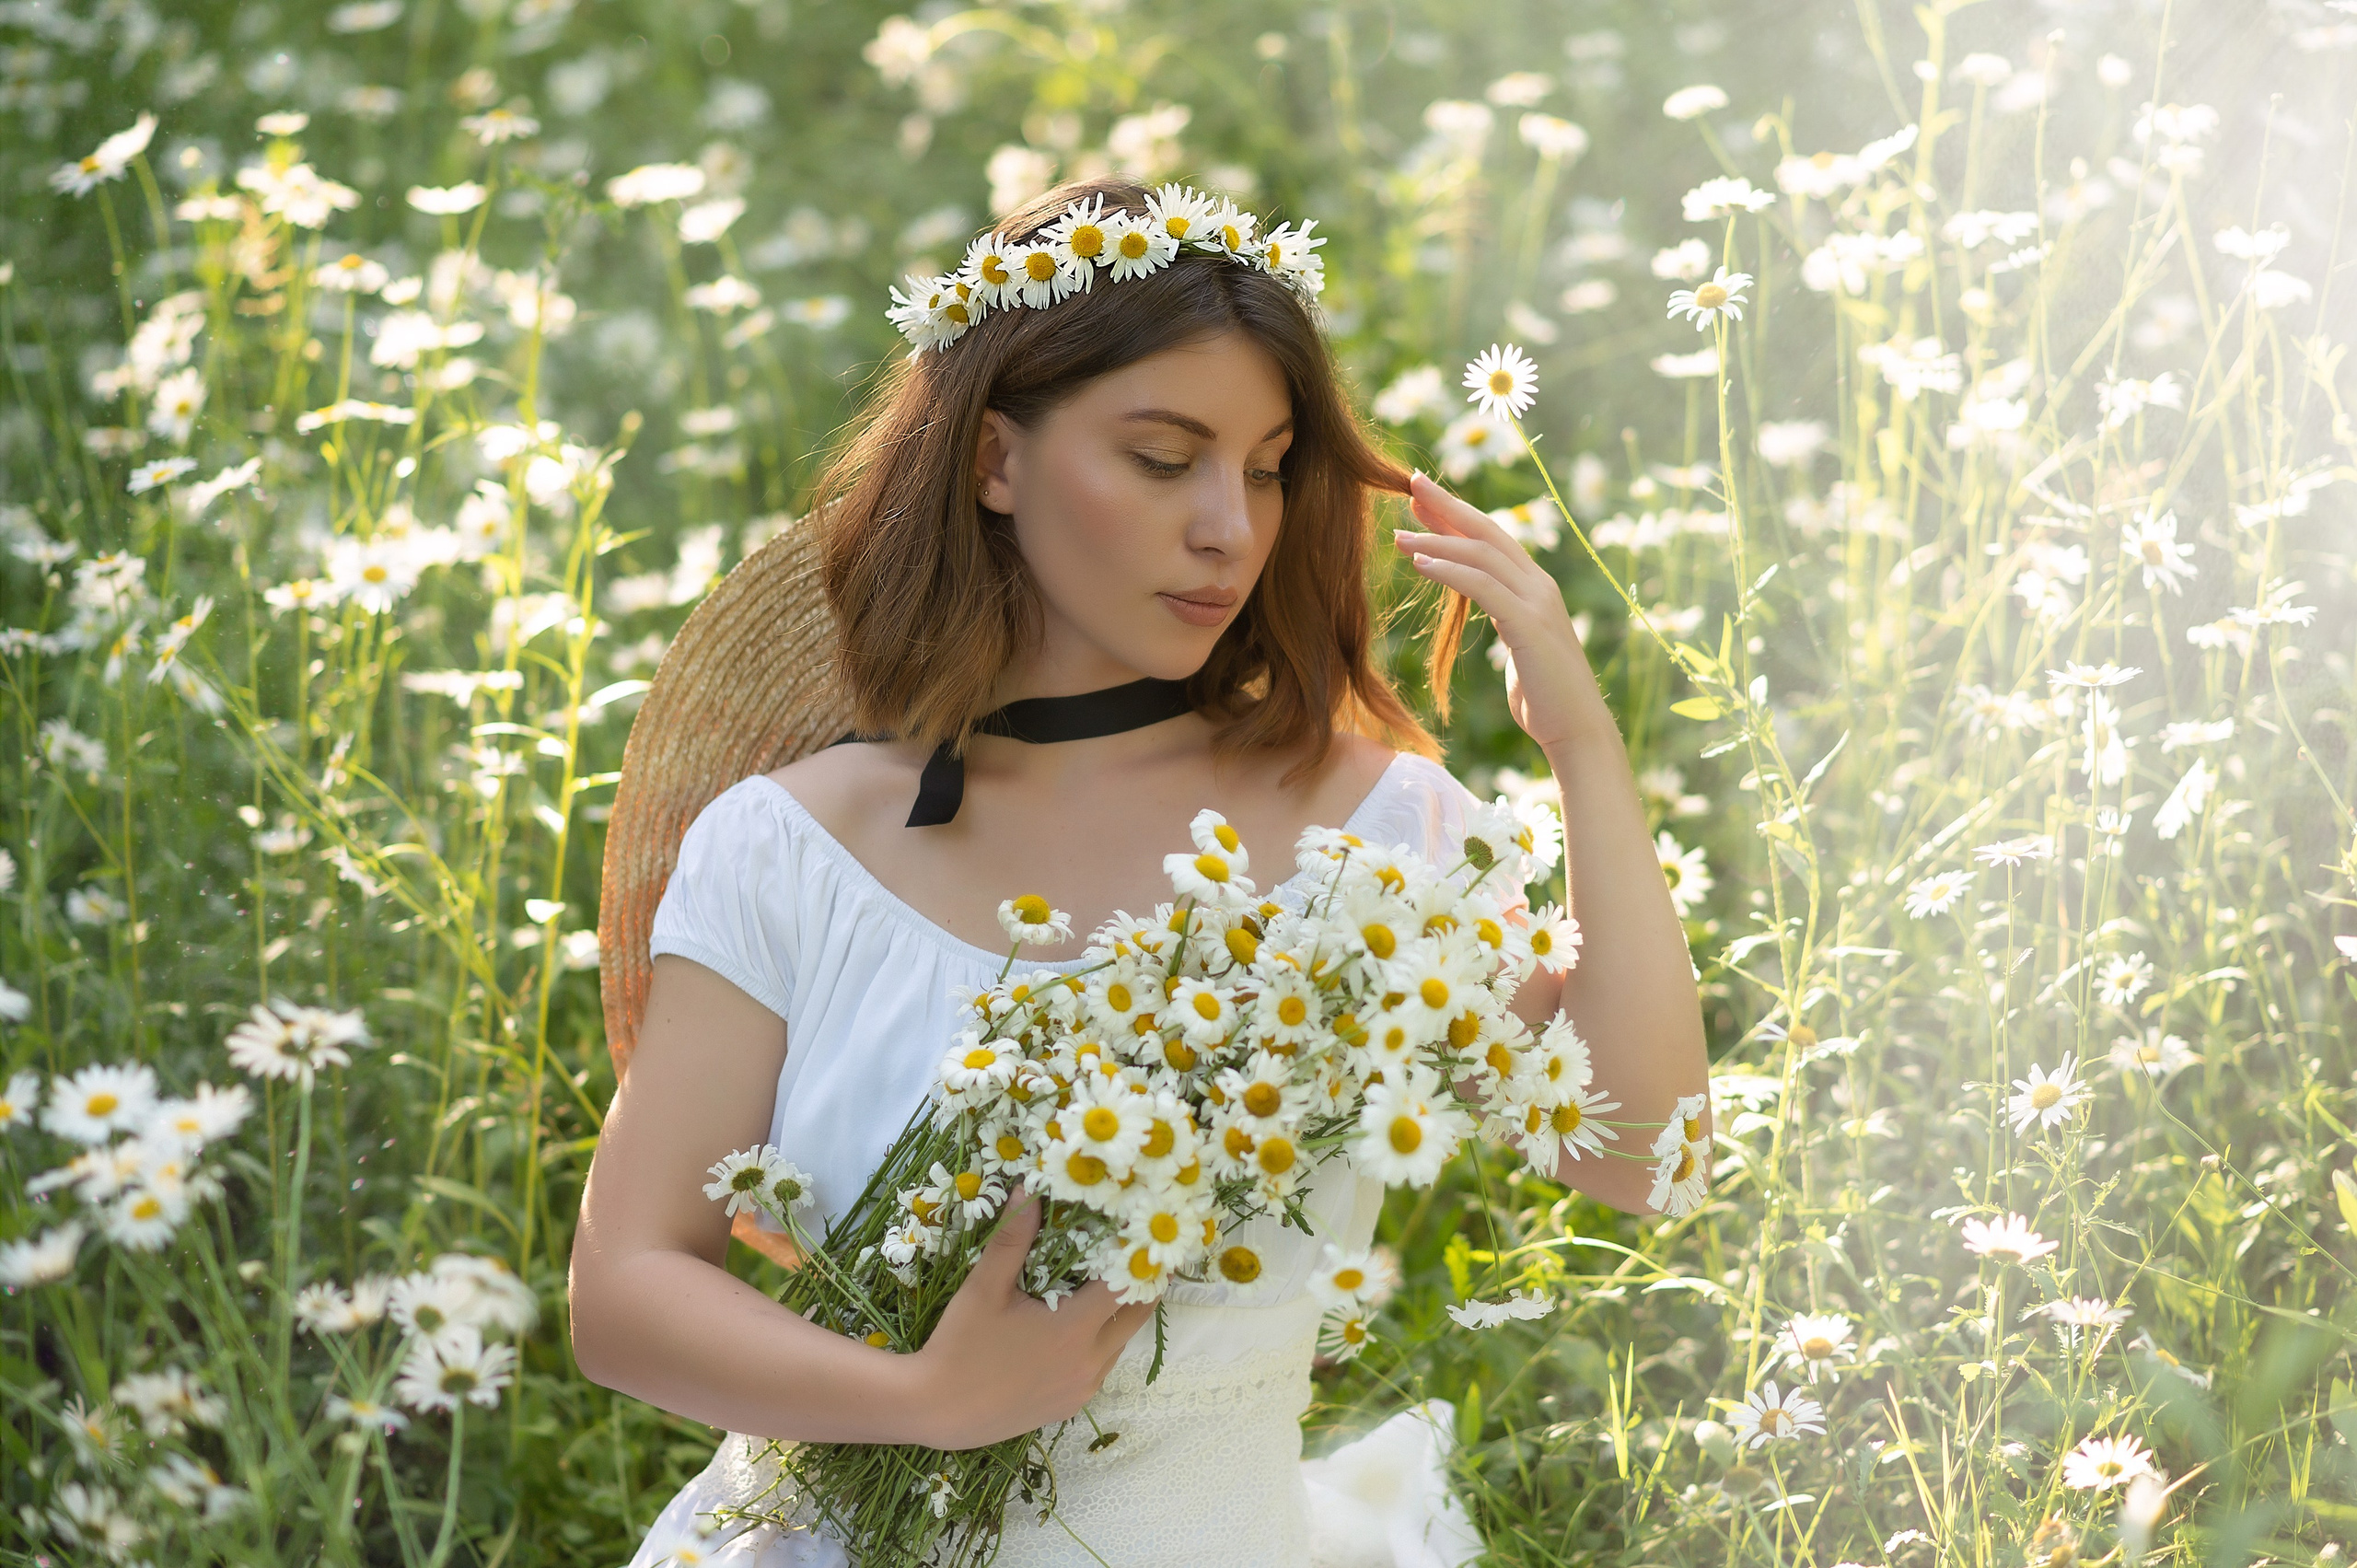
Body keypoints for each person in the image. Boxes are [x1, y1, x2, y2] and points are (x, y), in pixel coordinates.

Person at [568, 175, 1708, 1567]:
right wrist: (926, 1401)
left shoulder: (1376, 838)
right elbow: (626, 1287)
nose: (1230, 525)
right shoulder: (795, 846)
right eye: (1166, 460)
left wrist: (1582, 745)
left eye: (1270, 465)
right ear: (995, 461)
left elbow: (1644, 1158)